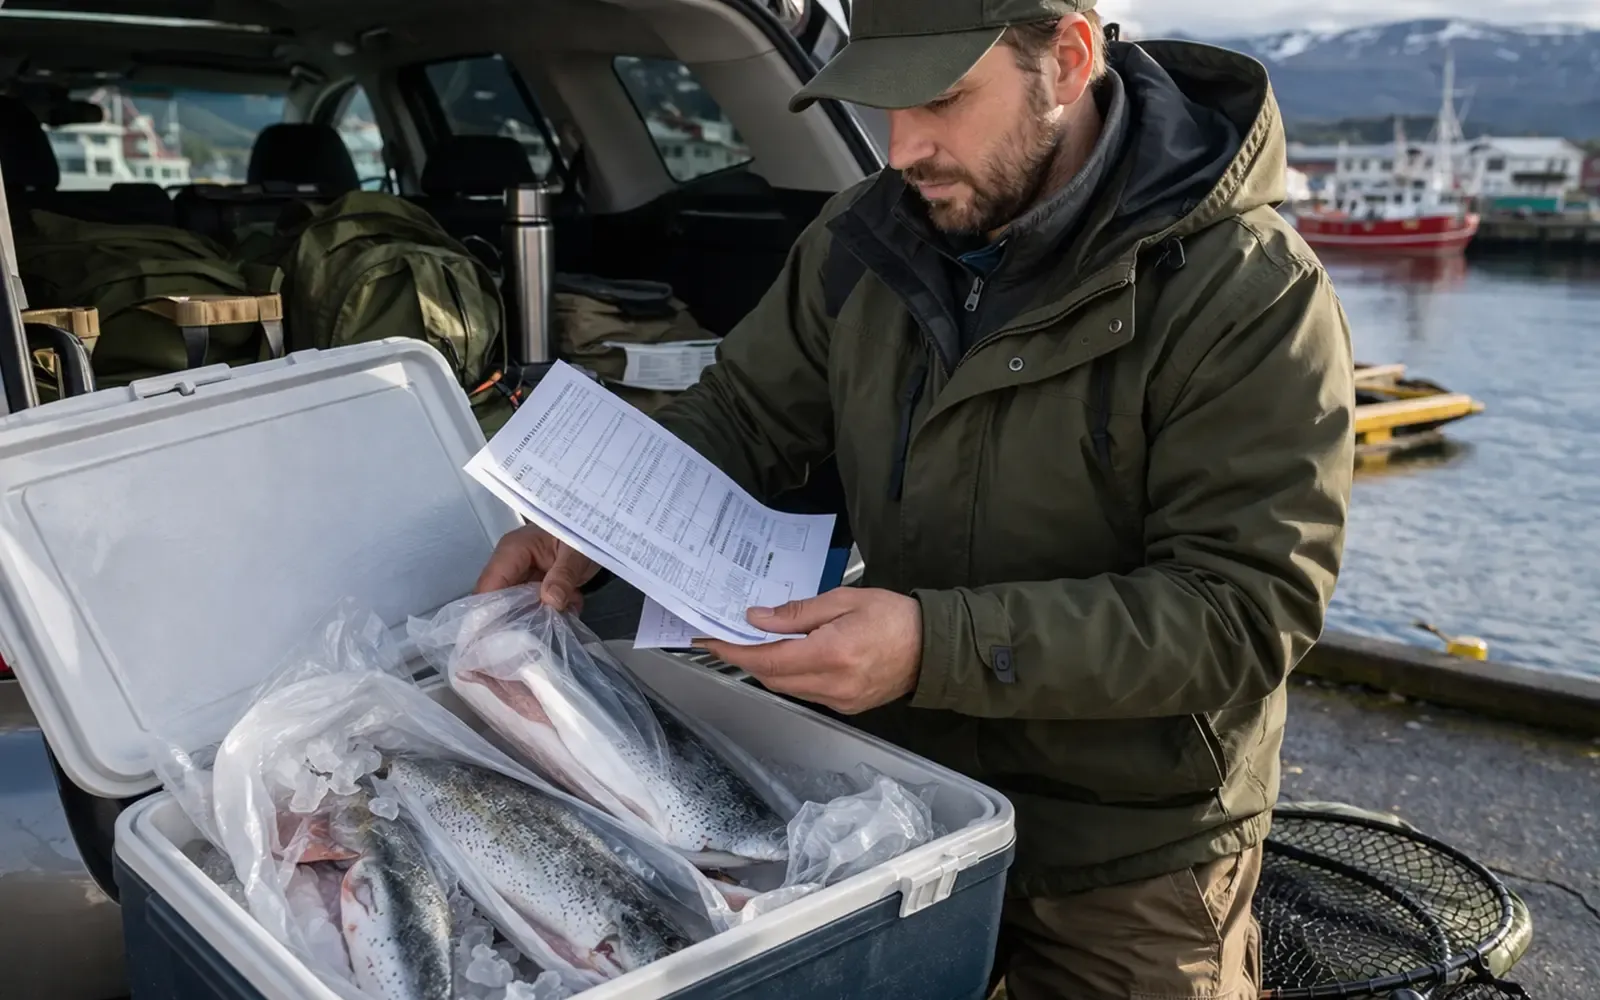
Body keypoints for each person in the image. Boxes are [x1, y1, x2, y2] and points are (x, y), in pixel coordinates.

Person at [476, 2, 1356, 996]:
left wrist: (932, 646)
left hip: (1130, 844)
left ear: (1066, 61)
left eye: (940, 98)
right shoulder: (863, 239)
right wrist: (595, 516)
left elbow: (1244, 610)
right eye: (882, 102)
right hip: (898, 799)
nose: (903, 148)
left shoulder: (1250, 291)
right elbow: (744, 415)